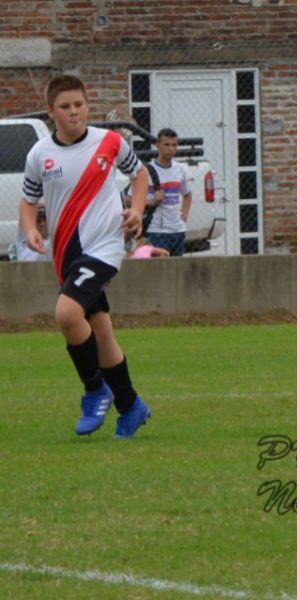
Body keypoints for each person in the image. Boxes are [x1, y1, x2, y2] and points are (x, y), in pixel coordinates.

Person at [19, 74, 152, 437]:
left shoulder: (108, 142)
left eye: (79, 105)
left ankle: (95, 390)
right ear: (51, 112)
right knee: (101, 332)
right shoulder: (39, 155)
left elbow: (140, 175)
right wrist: (31, 229)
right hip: (65, 255)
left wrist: (136, 211)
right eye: (65, 107)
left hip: (105, 247)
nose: (74, 112)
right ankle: (131, 406)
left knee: (66, 313)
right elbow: (29, 200)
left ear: (86, 106)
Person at [145, 128, 191, 257]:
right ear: (158, 146)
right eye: (166, 145)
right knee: (159, 271)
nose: (171, 149)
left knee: (178, 269)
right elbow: (130, 199)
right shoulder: (146, 170)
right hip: (157, 230)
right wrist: (152, 201)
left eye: (174, 145)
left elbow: (187, 194)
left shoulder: (179, 169)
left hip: (178, 230)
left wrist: (185, 212)